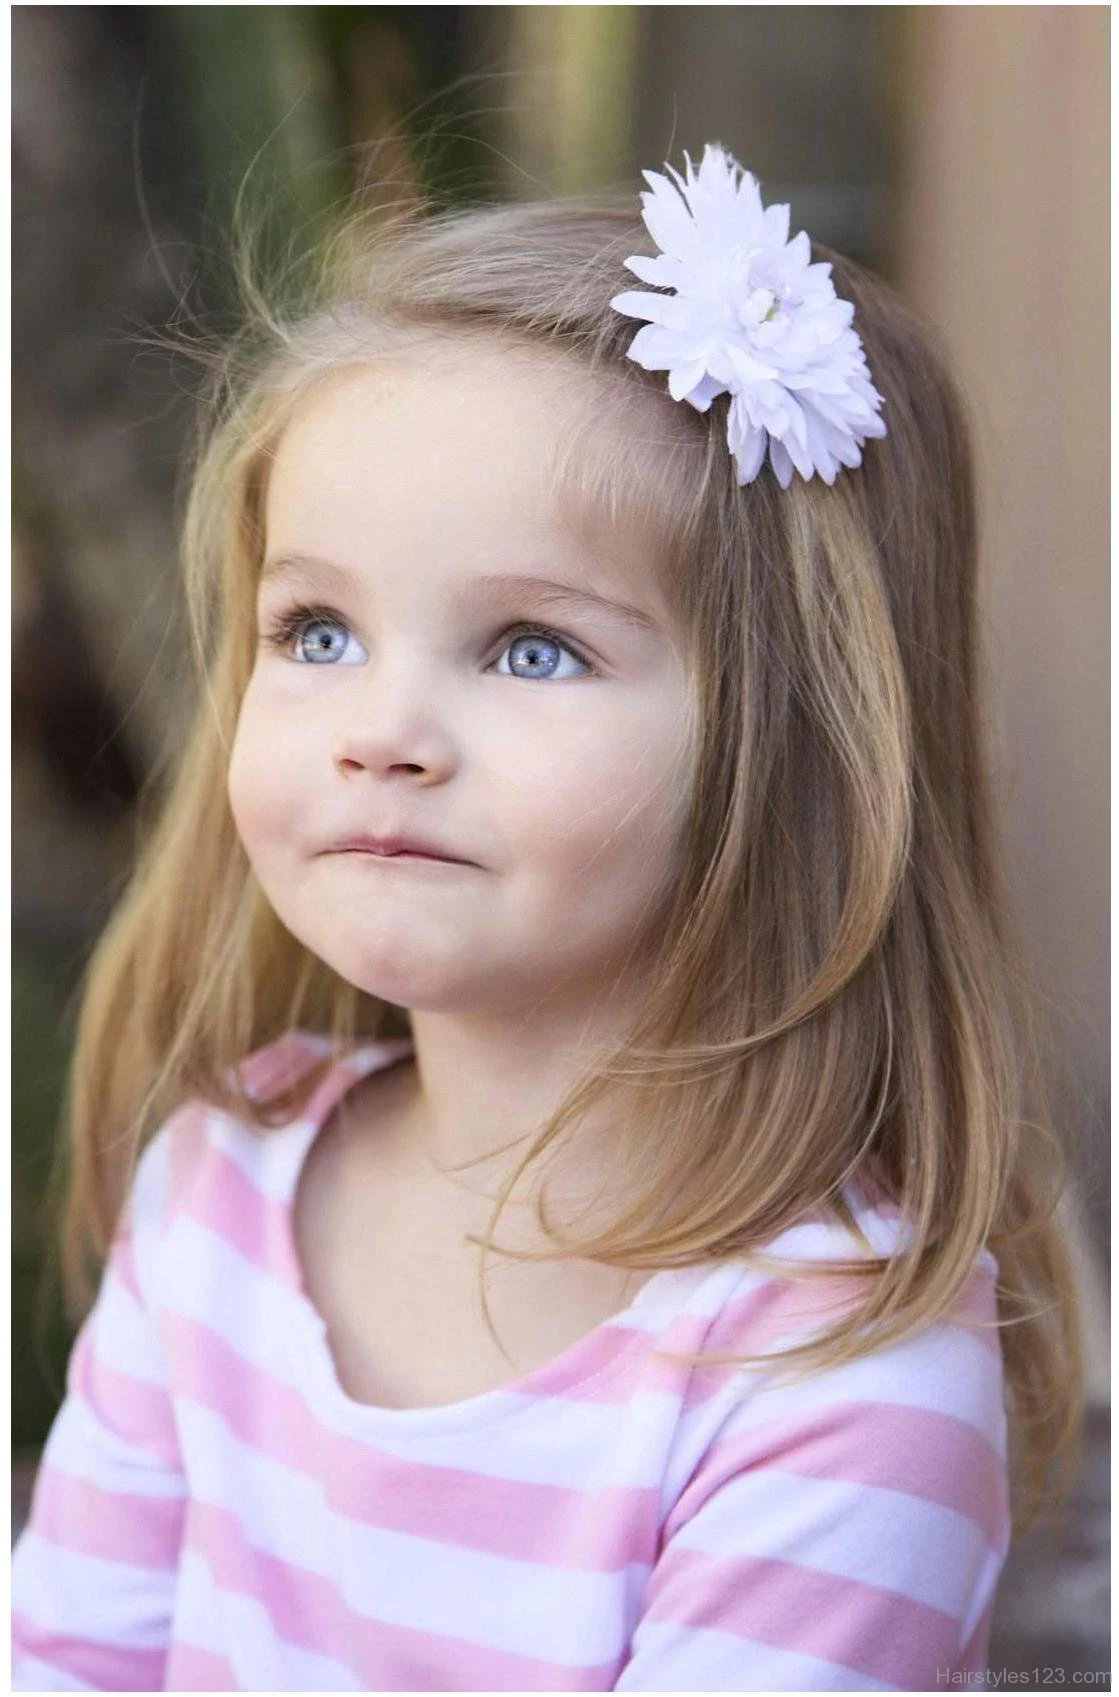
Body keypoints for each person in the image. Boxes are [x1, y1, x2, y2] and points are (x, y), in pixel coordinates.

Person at [12, 143, 1083, 1691]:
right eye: (317, 629)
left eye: (529, 649)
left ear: (789, 748)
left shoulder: (837, 1382)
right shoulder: (218, 1195)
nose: (381, 728)